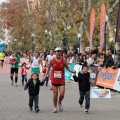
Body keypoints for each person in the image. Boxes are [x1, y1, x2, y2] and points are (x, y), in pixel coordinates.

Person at [43, 47, 76, 113]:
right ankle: (55, 107)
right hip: (54, 79)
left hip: (61, 79)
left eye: (59, 51)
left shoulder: (64, 60)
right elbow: (48, 68)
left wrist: (72, 71)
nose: (58, 53)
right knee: (55, 94)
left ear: (61, 53)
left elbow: (67, 67)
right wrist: (45, 75)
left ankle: (59, 102)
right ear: (55, 53)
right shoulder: (52, 60)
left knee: (62, 94)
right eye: (57, 51)